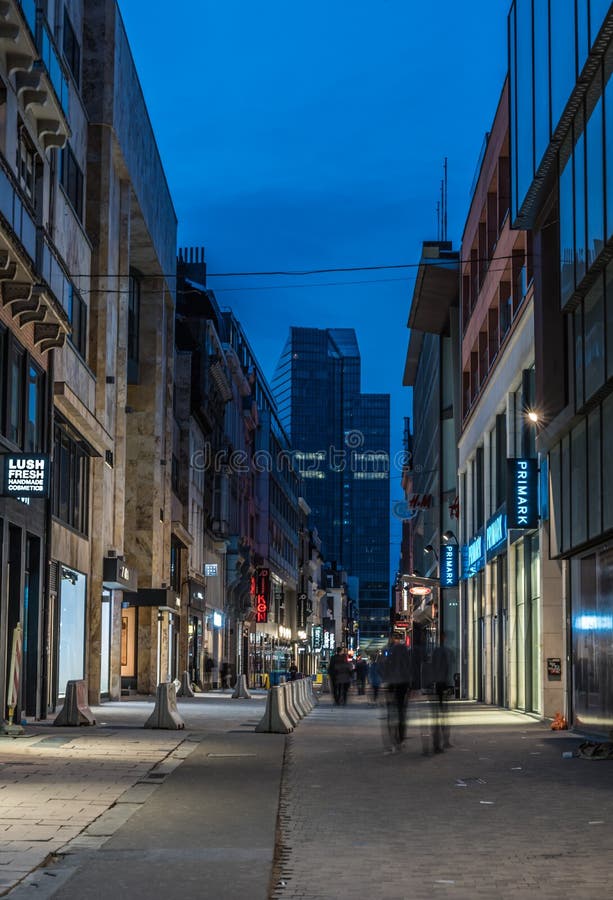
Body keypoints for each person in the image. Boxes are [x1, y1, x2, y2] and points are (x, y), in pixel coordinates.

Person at [380, 632, 413, 752]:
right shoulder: (406, 651)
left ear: (393, 639)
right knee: (401, 711)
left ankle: (393, 739)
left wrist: (385, 681)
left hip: (392, 683)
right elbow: (409, 667)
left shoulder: (389, 651)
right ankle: (401, 738)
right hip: (403, 684)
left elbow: (384, 667)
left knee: (391, 712)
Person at [430, 632, 454, 753]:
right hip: (442, 683)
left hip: (438, 684)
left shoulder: (436, 652)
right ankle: (444, 741)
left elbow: (433, 667)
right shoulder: (446, 652)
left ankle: (439, 742)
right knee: (443, 713)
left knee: (439, 713)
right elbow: (447, 668)